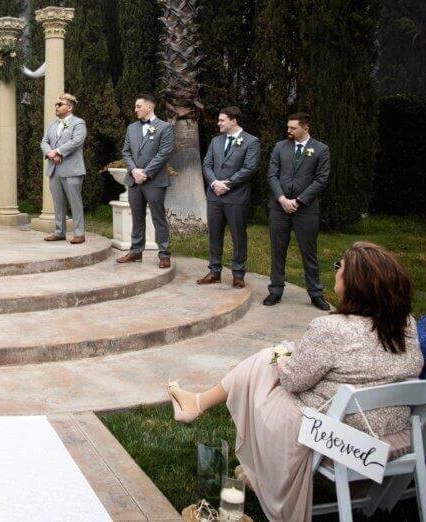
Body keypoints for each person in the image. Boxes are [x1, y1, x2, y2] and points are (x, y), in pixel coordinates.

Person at [167, 242, 423, 522]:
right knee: (269, 361)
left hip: (340, 436)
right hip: (396, 434)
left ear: (354, 283)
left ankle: (202, 408)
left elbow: (293, 380)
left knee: (265, 363)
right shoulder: (405, 325)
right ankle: (198, 403)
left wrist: (282, 356)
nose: (335, 271)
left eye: (340, 266)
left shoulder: (332, 329)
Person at [265, 112, 331, 310]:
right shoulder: (280, 147)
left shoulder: (321, 149)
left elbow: (321, 179)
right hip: (279, 207)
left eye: (293, 128)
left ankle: (315, 293)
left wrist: (300, 200)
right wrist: (282, 199)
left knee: (308, 251)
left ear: (305, 128)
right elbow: (272, 175)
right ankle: (275, 290)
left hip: (306, 210)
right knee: (278, 250)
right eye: (288, 127)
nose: (289, 131)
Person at [197, 107, 261, 288]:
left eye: (222, 120)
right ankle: (214, 271)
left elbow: (249, 168)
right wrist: (214, 183)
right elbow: (206, 164)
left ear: (234, 120)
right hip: (214, 196)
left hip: (236, 197)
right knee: (214, 235)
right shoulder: (216, 141)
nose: (218, 123)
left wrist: (227, 184)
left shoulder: (251, 141)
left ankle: (238, 274)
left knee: (238, 236)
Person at [117, 94, 174, 268]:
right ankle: (136, 251)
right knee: (137, 217)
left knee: (158, 218)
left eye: (138, 106)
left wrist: (146, 173)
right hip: (134, 180)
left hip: (155, 181)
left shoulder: (165, 128)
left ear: (149, 107)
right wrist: (134, 170)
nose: (135, 110)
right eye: (135, 107)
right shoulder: (131, 128)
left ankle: (164, 254)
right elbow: (126, 152)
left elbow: (164, 153)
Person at [40, 93, 88, 244]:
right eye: (56, 104)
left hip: (72, 170)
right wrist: (49, 153)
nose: (56, 106)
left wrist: (58, 151)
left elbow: (76, 142)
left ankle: (79, 233)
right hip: (54, 170)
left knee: (75, 202)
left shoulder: (79, 123)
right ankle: (59, 232)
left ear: (69, 107)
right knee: (58, 202)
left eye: (59, 104)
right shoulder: (53, 124)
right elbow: (44, 141)